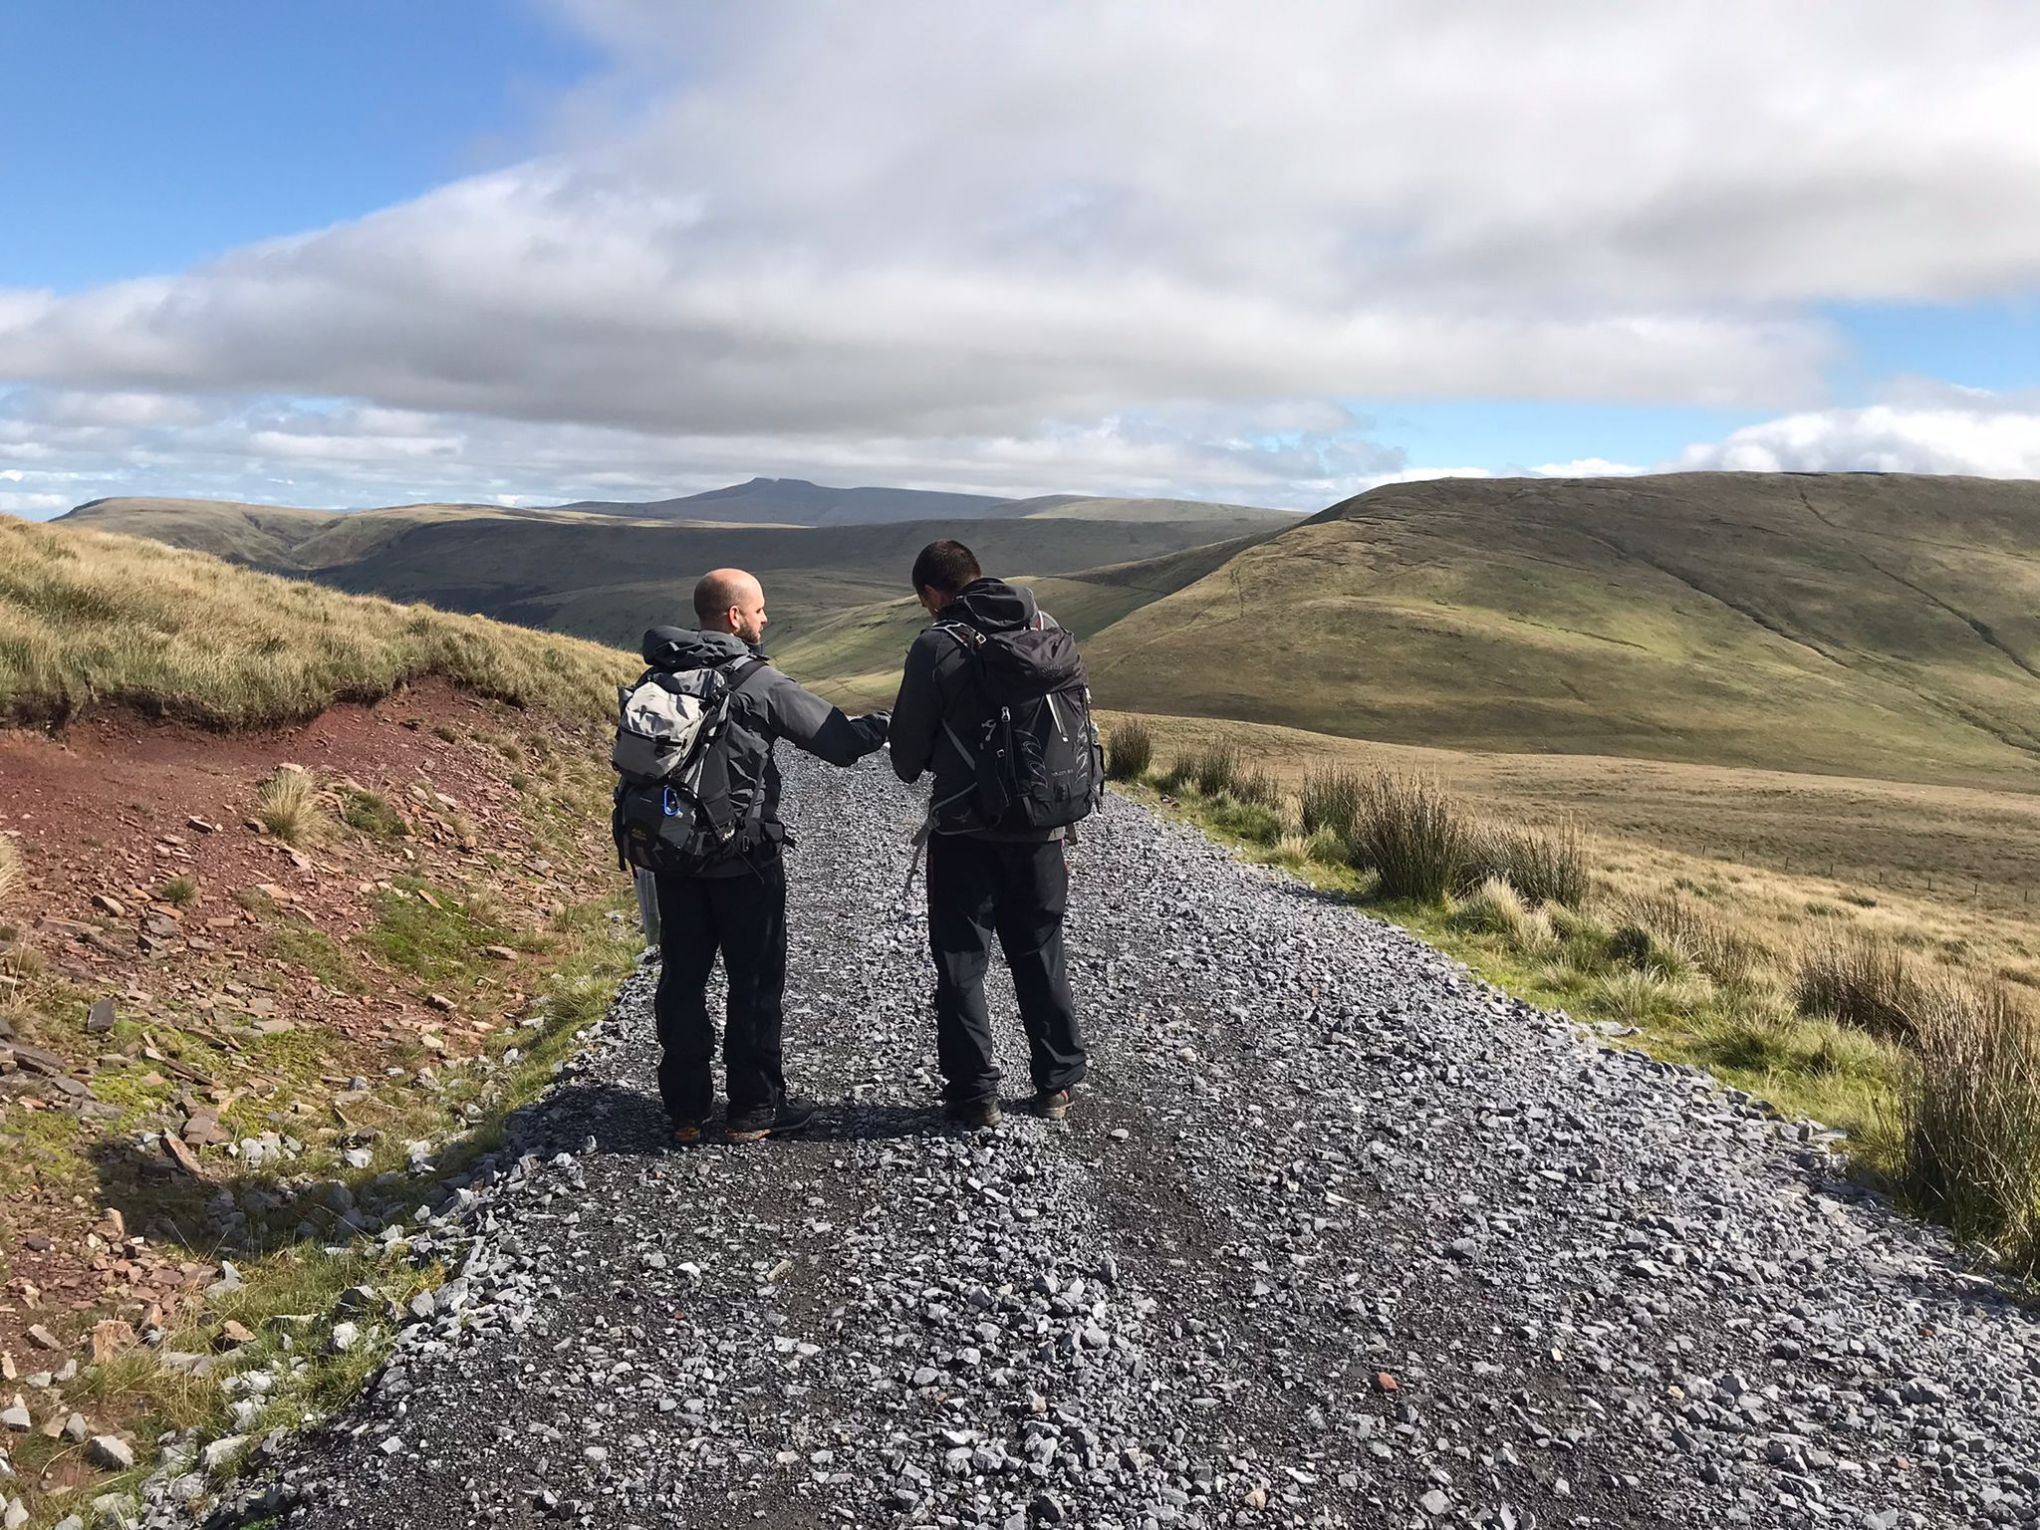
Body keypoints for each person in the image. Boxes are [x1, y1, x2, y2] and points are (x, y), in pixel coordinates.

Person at [647, 567, 888, 1144]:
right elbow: (838, 743)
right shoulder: (757, 680)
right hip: (744, 861)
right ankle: (752, 1109)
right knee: (753, 980)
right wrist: (891, 724)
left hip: (672, 857)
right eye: (758, 610)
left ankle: (684, 1111)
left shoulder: (660, 675)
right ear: (734, 617)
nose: (764, 619)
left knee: (682, 978)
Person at [886, 540, 1088, 1129]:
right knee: (1041, 949)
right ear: (977, 576)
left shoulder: (935, 645)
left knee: (961, 960)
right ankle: (1056, 1083)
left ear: (931, 594)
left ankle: (975, 1096)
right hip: (1043, 828)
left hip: (964, 831)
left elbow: (905, 757)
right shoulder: (1044, 628)